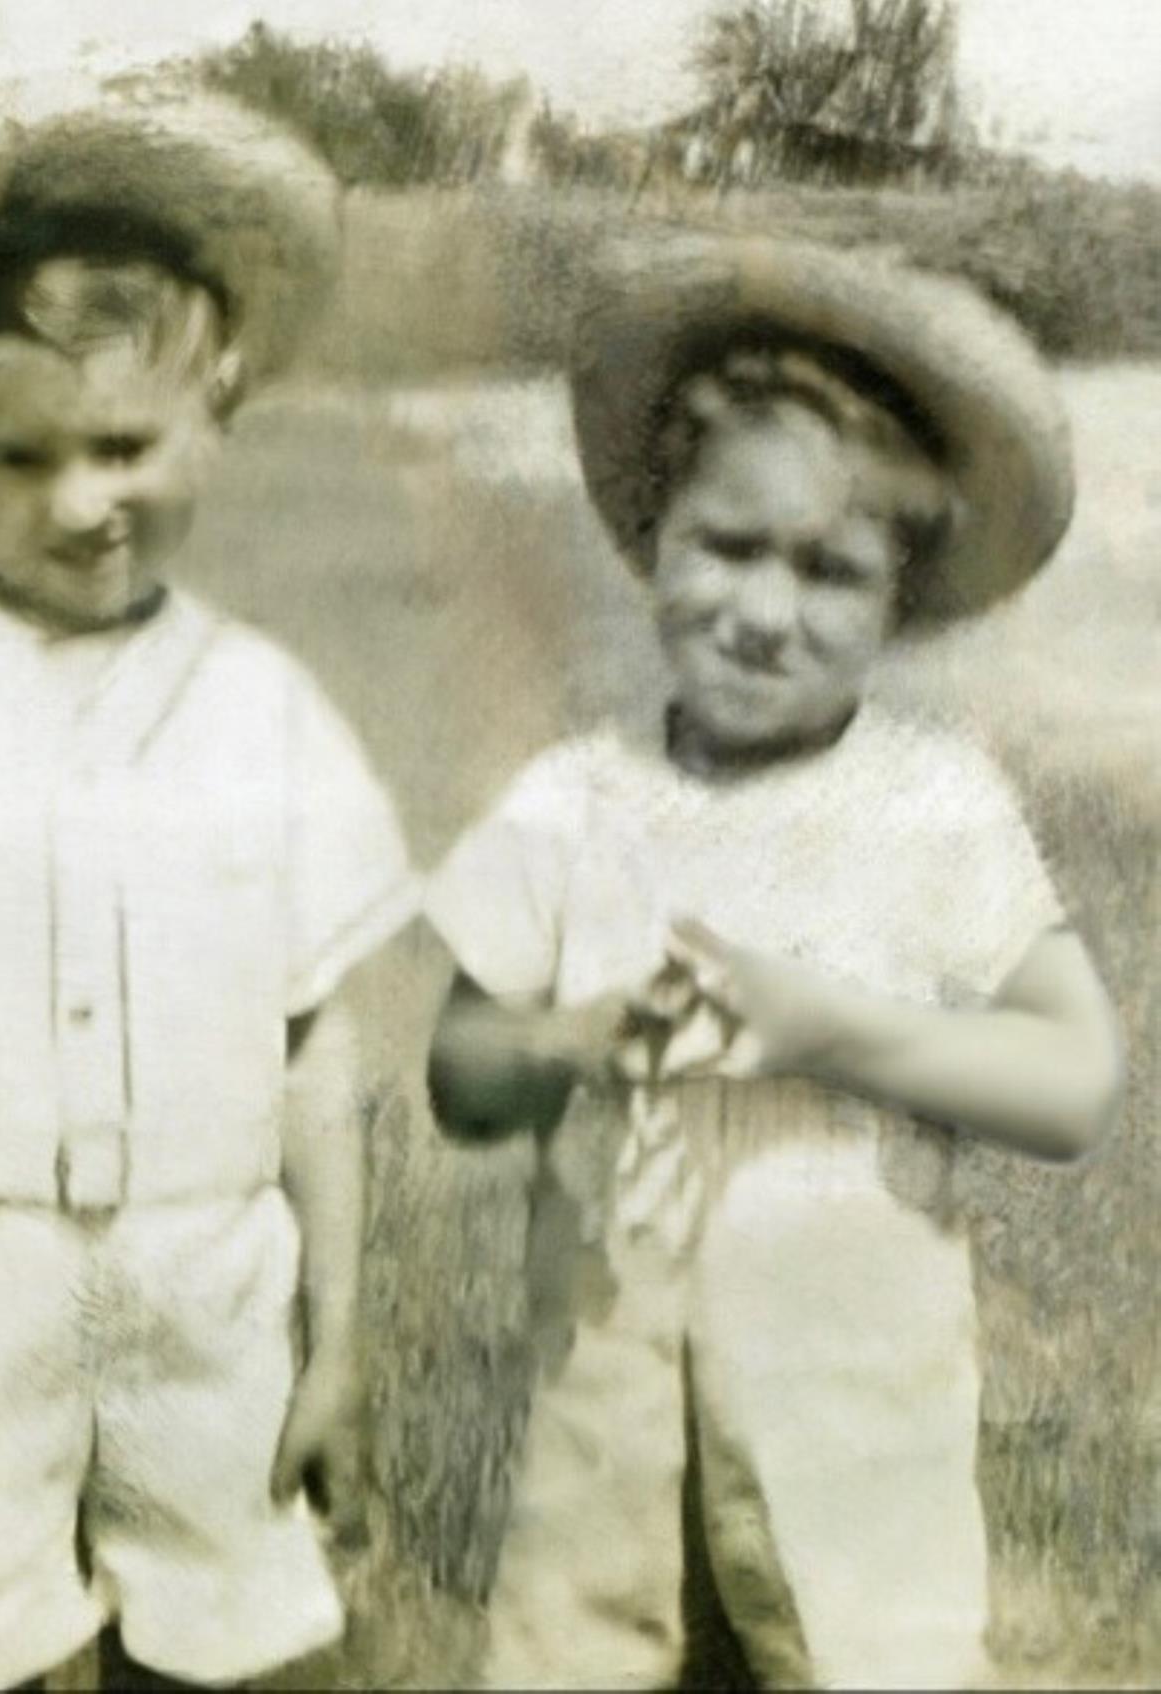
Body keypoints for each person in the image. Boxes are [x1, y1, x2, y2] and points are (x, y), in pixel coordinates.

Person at [0, 89, 417, 1691]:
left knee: (243, 1644)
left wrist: (333, 1337)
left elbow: (313, 1051)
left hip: (204, 1292)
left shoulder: (262, 706)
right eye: (21, 456)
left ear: (216, 404)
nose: (82, 501)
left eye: (124, 444)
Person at [424, 236, 1125, 1690]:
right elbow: (461, 1069)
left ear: (898, 601)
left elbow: (1070, 1081)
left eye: (827, 570)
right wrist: (572, 1038)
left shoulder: (935, 810)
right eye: (726, 544)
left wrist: (829, 1028)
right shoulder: (572, 802)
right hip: (611, 1450)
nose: (761, 607)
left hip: (849, 1450)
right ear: (650, 534)